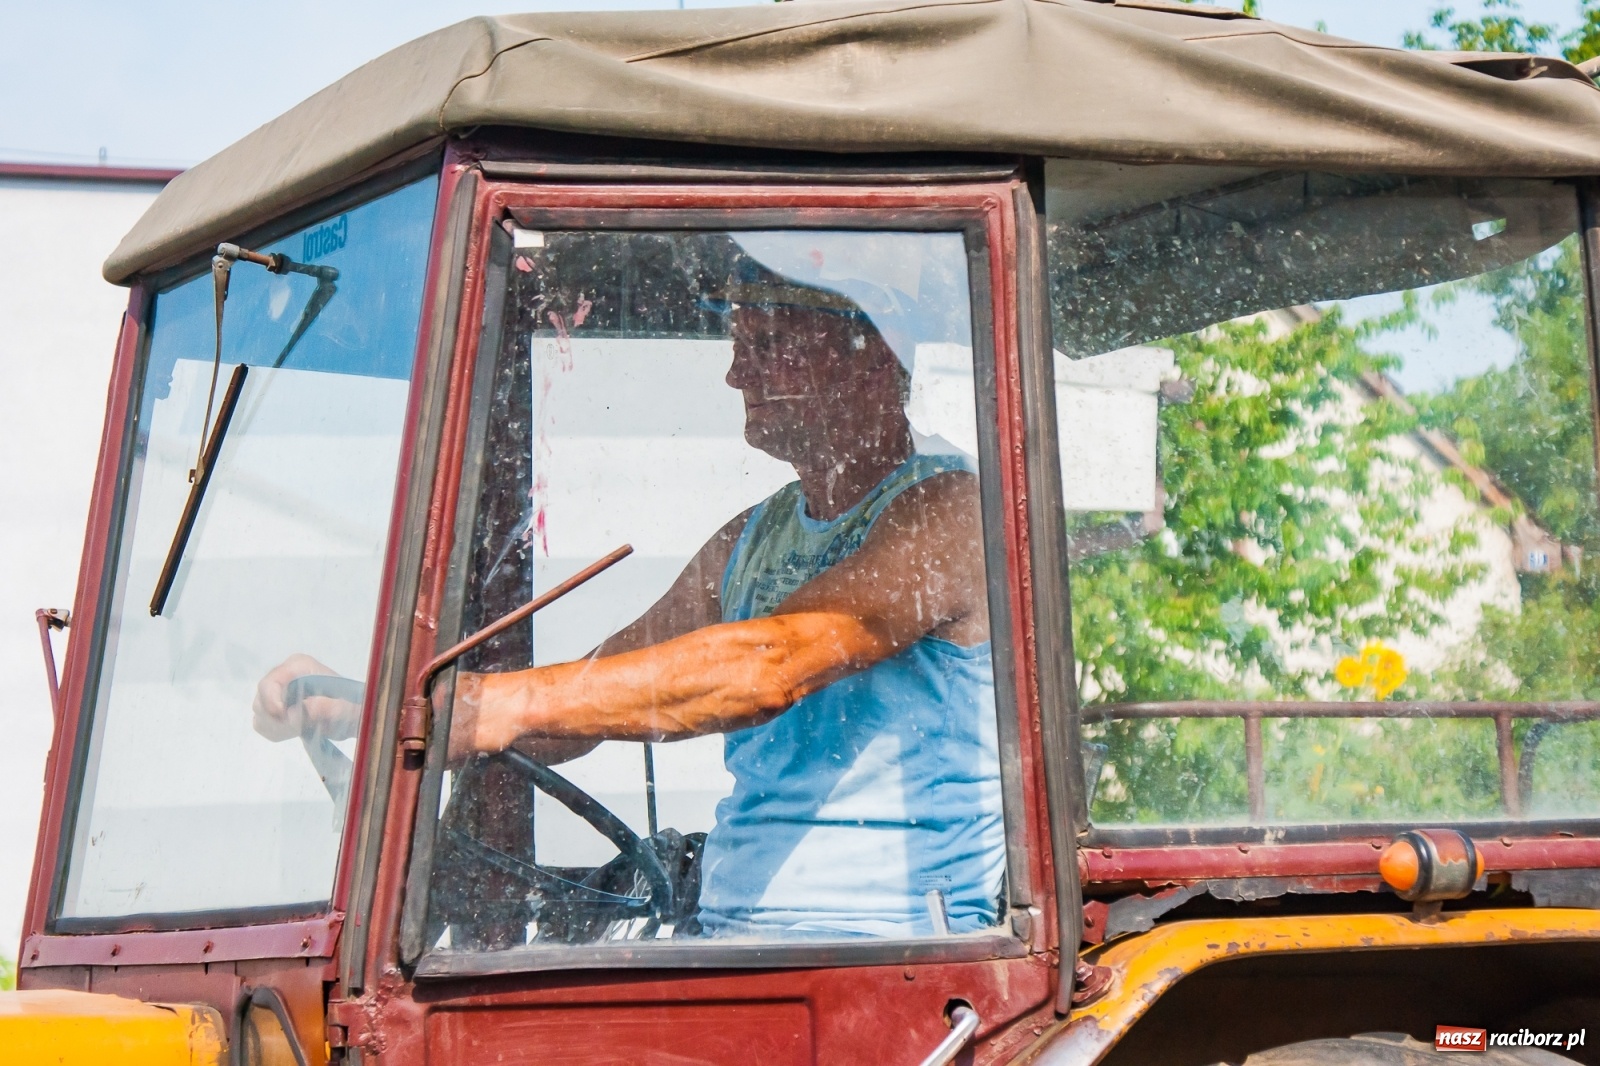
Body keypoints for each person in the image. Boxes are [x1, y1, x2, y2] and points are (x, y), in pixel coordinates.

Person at [254, 272, 1005, 939]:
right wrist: (378, 709)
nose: (736, 374)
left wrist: (492, 705)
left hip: (899, 958)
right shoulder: (751, 537)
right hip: (738, 941)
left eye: (768, 342)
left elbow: (767, 665)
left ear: (874, 355)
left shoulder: (949, 513)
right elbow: (600, 685)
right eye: (738, 343)